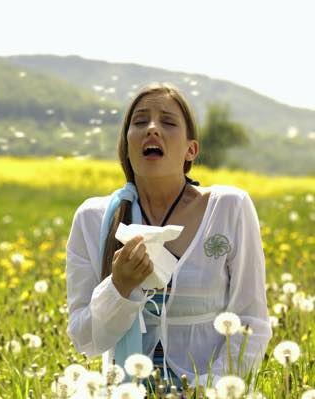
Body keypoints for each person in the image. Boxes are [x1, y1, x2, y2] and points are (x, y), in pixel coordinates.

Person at [65, 82, 272, 391]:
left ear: (191, 149)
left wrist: (209, 390)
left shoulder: (229, 208)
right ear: (127, 143)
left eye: (168, 121)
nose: (152, 129)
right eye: (139, 121)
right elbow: (85, 339)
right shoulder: (93, 219)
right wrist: (118, 287)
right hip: (126, 391)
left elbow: (251, 323)